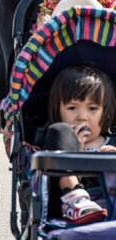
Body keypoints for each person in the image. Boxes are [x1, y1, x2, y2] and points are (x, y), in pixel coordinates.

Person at [44, 64, 116, 225]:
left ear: (106, 112)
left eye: (92, 108)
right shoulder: (56, 139)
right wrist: (74, 151)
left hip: (111, 207)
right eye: (72, 107)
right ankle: (75, 198)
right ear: (58, 109)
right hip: (65, 209)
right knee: (58, 132)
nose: (82, 117)